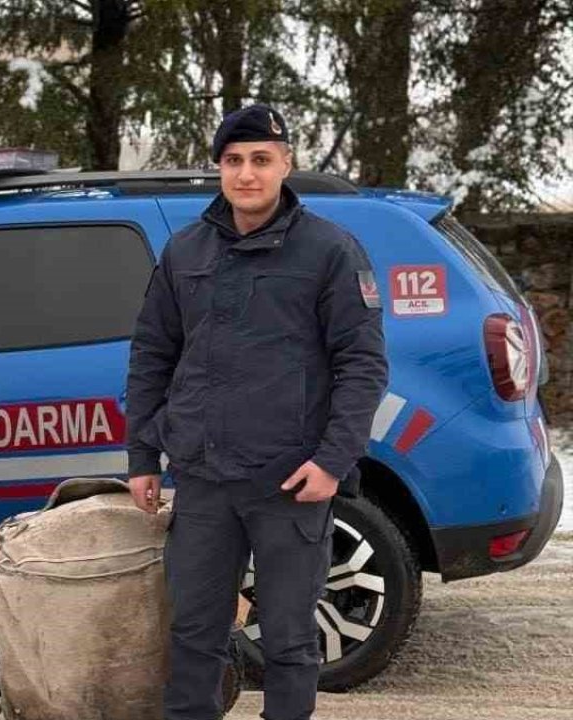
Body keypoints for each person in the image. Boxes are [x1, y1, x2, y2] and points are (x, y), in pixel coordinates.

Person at [125, 104, 388, 720]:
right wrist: (142, 455)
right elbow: (152, 355)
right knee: (192, 634)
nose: (247, 174)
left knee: (291, 641)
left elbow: (363, 366)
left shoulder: (330, 251)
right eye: (235, 161)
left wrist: (330, 462)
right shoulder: (185, 249)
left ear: (285, 166)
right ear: (219, 168)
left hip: (289, 483)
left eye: (261, 160)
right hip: (204, 480)